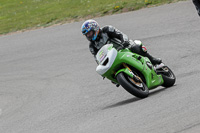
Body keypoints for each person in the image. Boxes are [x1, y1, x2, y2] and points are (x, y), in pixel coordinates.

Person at [81, 19, 162, 66]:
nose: (89, 36)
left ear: (95, 28)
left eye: (89, 33)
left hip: (124, 48)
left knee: (136, 46)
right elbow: (97, 59)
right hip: (112, 59)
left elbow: (121, 34)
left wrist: (125, 42)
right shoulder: (92, 46)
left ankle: (152, 59)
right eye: (87, 35)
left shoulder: (107, 29)